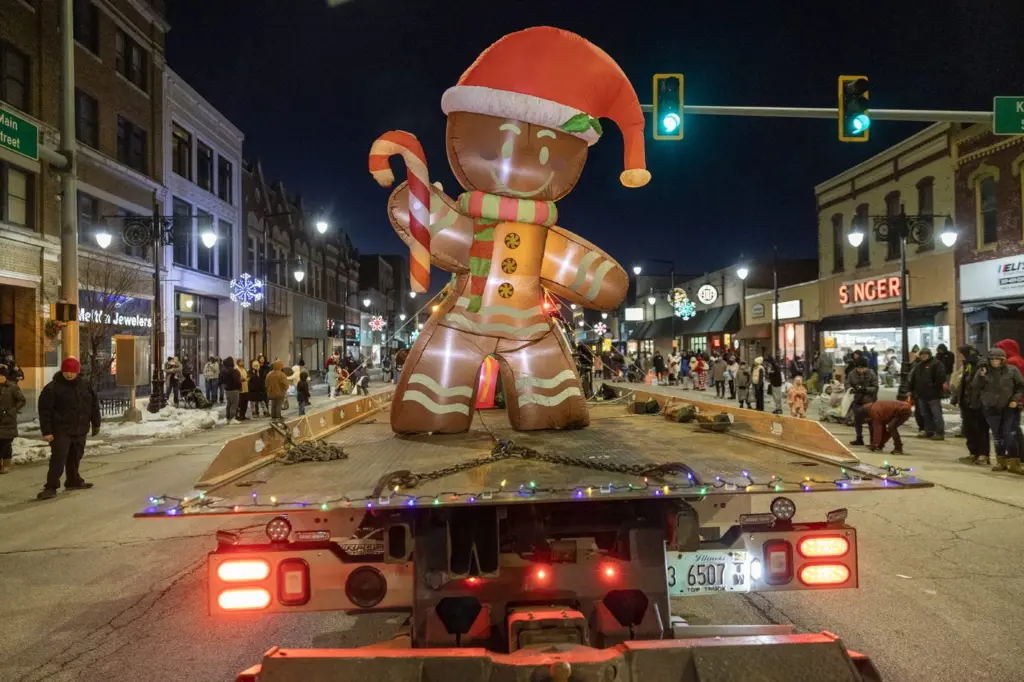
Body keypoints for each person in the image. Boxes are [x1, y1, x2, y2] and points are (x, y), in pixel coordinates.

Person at [36, 357, 101, 500]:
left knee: (76, 455)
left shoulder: (85, 385)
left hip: (80, 428)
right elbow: (45, 411)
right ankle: (51, 486)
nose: (69, 374)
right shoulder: (52, 388)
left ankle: (72, 480)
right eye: (66, 371)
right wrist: (47, 431)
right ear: (62, 371)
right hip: (60, 429)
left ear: (77, 372)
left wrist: (96, 423)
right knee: (58, 458)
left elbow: (94, 405)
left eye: (72, 372)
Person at [973, 345, 1024, 473]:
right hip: (990, 407)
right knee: (997, 436)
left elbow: (1021, 387)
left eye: (998, 359)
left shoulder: (1012, 370)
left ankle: (1015, 463)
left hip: (1009, 407)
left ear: (1003, 360)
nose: (995, 361)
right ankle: (1001, 462)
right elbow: (976, 387)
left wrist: (1015, 400)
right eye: (993, 359)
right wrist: (981, 376)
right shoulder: (983, 372)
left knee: (1010, 434)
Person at [952, 345, 990, 466]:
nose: (961, 357)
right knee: (969, 429)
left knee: (981, 429)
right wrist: (956, 398)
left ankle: (983, 454)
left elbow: (984, 384)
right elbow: (963, 382)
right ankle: (973, 453)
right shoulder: (968, 365)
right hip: (966, 402)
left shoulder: (982, 365)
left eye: (962, 354)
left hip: (978, 403)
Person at [907, 347, 947, 440]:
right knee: (925, 414)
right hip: (921, 395)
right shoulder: (918, 366)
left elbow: (941, 378)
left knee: (936, 414)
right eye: (922, 354)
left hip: (933, 395)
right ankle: (929, 431)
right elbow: (913, 379)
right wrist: (910, 390)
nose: (924, 356)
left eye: (925, 354)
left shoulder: (936, 364)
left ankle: (939, 432)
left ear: (929, 355)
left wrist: (933, 388)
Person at [0, 365, 27, 474]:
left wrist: (13, 410)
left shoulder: (12, 387)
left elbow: (22, 400)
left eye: (1, 375)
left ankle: (6, 464)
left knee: (6, 444)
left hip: (8, 420)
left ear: (5, 376)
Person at [848, 358, 879, 446]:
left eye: (863, 368)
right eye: (859, 368)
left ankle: (873, 441)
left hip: (869, 400)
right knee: (857, 420)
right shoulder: (851, 374)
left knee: (870, 421)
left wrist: (865, 389)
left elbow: (875, 387)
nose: (861, 370)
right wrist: (852, 389)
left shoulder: (871, 373)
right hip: (857, 400)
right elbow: (847, 384)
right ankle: (859, 439)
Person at [220, 357, 241, 424]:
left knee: (229, 404)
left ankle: (228, 417)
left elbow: (221, 380)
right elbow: (237, 381)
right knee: (234, 404)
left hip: (227, 390)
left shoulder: (223, 371)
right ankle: (232, 418)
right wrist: (239, 387)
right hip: (234, 390)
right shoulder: (235, 371)